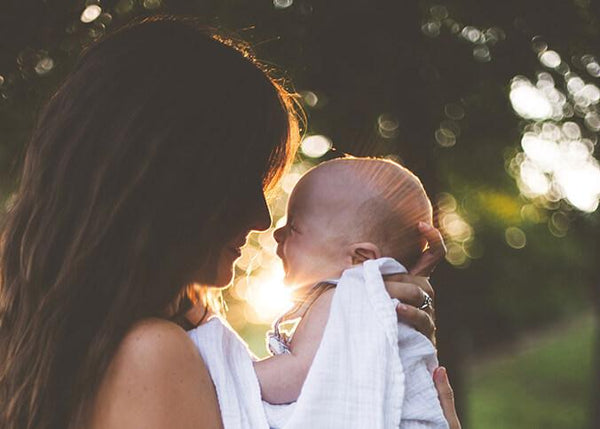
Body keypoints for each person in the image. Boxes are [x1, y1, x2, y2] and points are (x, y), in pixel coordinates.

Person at [0, 14, 460, 429]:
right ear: (172, 181)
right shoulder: (153, 355)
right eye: (244, 183)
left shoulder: (60, 350)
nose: (262, 219)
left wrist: (379, 327)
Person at [253, 157, 447, 428]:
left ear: (360, 259)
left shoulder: (341, 298)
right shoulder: (378, 306)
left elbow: (299, 375)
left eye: (294, 227)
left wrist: (232, 372)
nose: (277, 233)